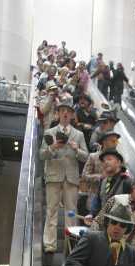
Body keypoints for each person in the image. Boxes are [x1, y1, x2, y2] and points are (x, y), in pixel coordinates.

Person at [39, 100, 89, 253]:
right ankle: (50, 244)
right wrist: (52, 147)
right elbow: (41, 155)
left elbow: (86, 157)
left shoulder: (79, 134)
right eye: (62, 111)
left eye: (68, 111)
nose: (65, 113)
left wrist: (76, 150)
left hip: (71, 178)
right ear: (58, 114)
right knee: (51, 210)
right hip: (53, 176)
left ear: (72, 115)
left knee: (71, 212)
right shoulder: (49, 132)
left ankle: (71, 246)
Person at [81, 131, 121, 208]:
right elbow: (84, 176)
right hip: (94, 196)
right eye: (113, 141)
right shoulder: (93, 157)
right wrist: (100, 177)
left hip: (112, 199)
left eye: (116, 141)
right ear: (104, 142)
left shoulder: (119, 159)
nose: (116, 143)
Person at [91, 149, 132, 216]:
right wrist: (92, 215)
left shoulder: (126, 181)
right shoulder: (103, 181)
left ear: (119, 162)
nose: (106, 162)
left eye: (109, 159)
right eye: (103, 161)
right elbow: (98, 201)